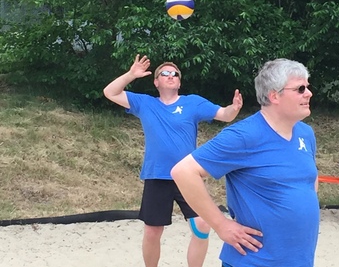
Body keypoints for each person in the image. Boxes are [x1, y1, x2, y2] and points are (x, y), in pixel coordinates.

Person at [171, 58, 319, 267]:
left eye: (308, 87)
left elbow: (308, 182)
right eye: (300, 88)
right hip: (253, 261)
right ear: (274, 95)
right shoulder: (244, 135)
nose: (308, 93)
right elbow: (184, 172)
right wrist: (221, 225)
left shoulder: (305, 133)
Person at [103, 54, 243, 267]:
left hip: (188, 176)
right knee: (152, 231)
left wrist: (234, 108)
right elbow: (110, 92)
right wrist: (131, 74)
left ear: (179, 81)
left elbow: (225, 115)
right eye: (164, 73)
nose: (170, 76)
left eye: (174, 73)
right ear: (156, 82)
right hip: (157, 174)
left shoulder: (193, 103)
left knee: (202, 225)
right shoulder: (145, 103)